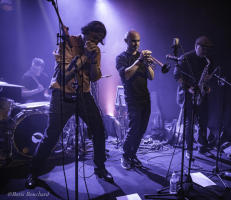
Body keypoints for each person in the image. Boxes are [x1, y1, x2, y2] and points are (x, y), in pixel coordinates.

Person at [25, 20, 113, 189]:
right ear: (86, 32)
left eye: (98, 40)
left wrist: (93, 60)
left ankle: (100, 168)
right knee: (51, 135)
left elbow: (94, 77)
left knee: (99, 130)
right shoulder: (67, 42)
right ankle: (33, 172)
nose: (95, 43)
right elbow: (65, 75)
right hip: (61, 94)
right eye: (94, 38)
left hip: (84, 94)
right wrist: (85, 56)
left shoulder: (96, 50)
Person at [116, 30, 154, 169]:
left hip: (145, 97)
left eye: (138, 41)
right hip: (132, 98)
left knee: (142, 129)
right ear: (126, 41)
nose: (136, 44)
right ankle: (126, 155)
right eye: (133, 41)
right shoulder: (121, 58)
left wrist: (147, 64)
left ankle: (133, 154)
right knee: (134, 129)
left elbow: (151, 77)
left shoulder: (141, 58)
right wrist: (139, 61)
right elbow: (126, 75)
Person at [174, 36, 217, 157]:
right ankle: (189, 150)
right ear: (196, 46)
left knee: (203, 121)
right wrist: (188, 88)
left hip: (201, 94)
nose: (205, 51)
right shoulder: (185, 58)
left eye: (207, 49)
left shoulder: (207, 60)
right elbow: (177, 76)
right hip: (188, 94)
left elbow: (207, 76)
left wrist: (207, 86)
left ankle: (202, 146)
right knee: (189, 123)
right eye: (203, 48)